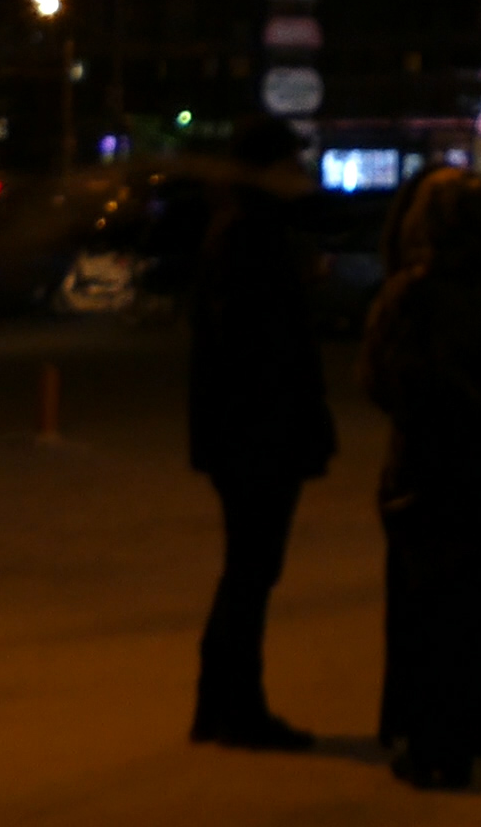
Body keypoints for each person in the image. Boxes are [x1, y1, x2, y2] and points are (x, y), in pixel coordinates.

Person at [362, 167, 481, 791]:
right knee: (474, 618)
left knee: (421, 612)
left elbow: (379, 381)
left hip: (422, 475)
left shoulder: (410, 295)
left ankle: (423, 738)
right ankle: (458, 740)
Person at [186, 113, 336, 751]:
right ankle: (237, 710)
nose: (300, 172)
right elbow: (258, 350)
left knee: (247, 571)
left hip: (248, 434)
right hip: (257, 437)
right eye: (290, 162)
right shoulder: (251, 237)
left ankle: (220, 706)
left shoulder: (245, 230)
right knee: (251, 572)